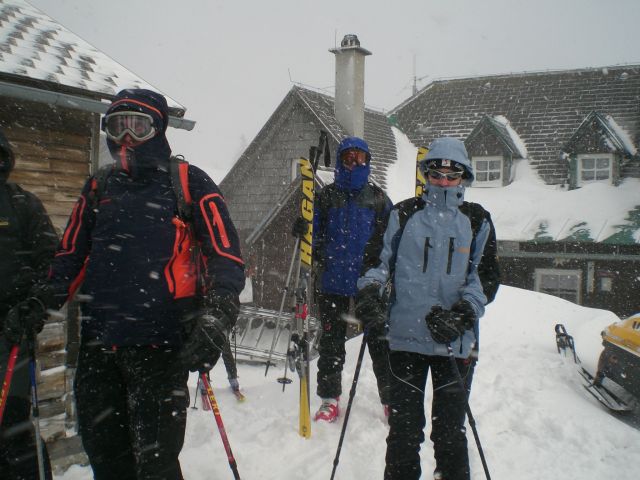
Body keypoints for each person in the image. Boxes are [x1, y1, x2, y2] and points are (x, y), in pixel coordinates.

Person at [34, 89, 245, 479]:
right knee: (106, 459)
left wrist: (218, 314)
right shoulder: (99, 187)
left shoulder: (188, 182)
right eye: (118, 127)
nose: (127, 138)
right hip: (99, 347)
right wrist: (39, 302)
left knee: (156, 464)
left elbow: (225, 255)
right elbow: (69, 257)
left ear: (158, 129)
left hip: (160, 349)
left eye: (138, 126)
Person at [356, 137, 499, 480]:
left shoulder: (476, 219)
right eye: (436, 174)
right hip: (405, 339)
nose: (444, 182)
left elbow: (485, 277)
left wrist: (462, 313)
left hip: (455, 342)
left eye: (452, 175)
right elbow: (378, 263)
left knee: (450, 432)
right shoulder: (403, 214)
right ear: (427, 175)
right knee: (403, 434)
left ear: (464, 177)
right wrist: (370, 292)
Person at [311, 136, 393, 422]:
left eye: (360, 158)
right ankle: (329, 398)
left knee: (380, 344)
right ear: (340, 160)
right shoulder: (326, 196)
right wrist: (305, 232)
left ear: (367, 161)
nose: (354, 163)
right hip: (332, 282)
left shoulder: (378, 199)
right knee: (331, 344)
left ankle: (390, 400)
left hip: (368, 285)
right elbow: (314, 235)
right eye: (349, 158)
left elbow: (390, 241)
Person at [0, 127, 56, 479]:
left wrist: (33, 304)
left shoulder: (22, 204)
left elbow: (52, 263)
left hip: (10, 334)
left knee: (13, 426)